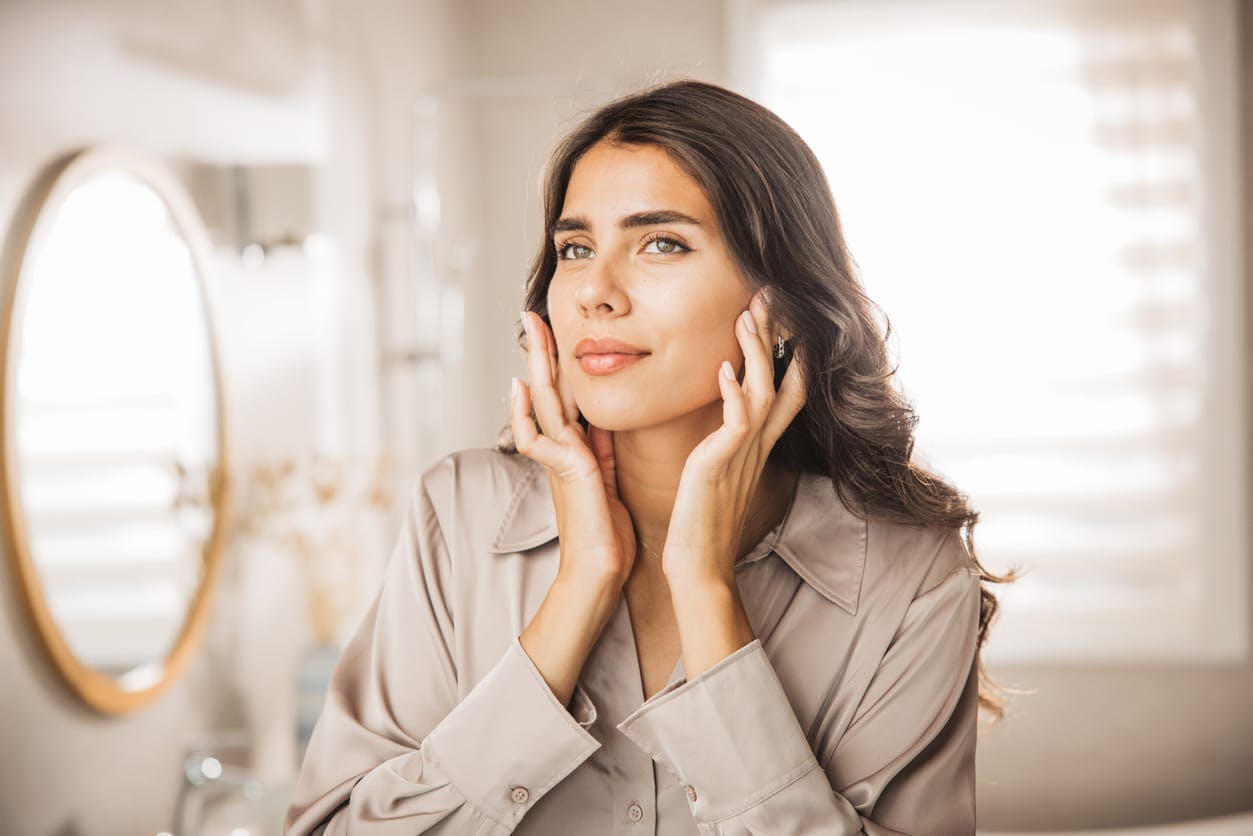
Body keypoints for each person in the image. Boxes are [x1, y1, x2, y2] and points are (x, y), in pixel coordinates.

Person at [285, 79, 1016, 836]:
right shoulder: (460, 512)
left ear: (781, 307)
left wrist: (705, 588)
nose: (594, 293)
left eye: (660, 243)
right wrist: (578, 588)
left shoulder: (910, 575)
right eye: (575, 249)